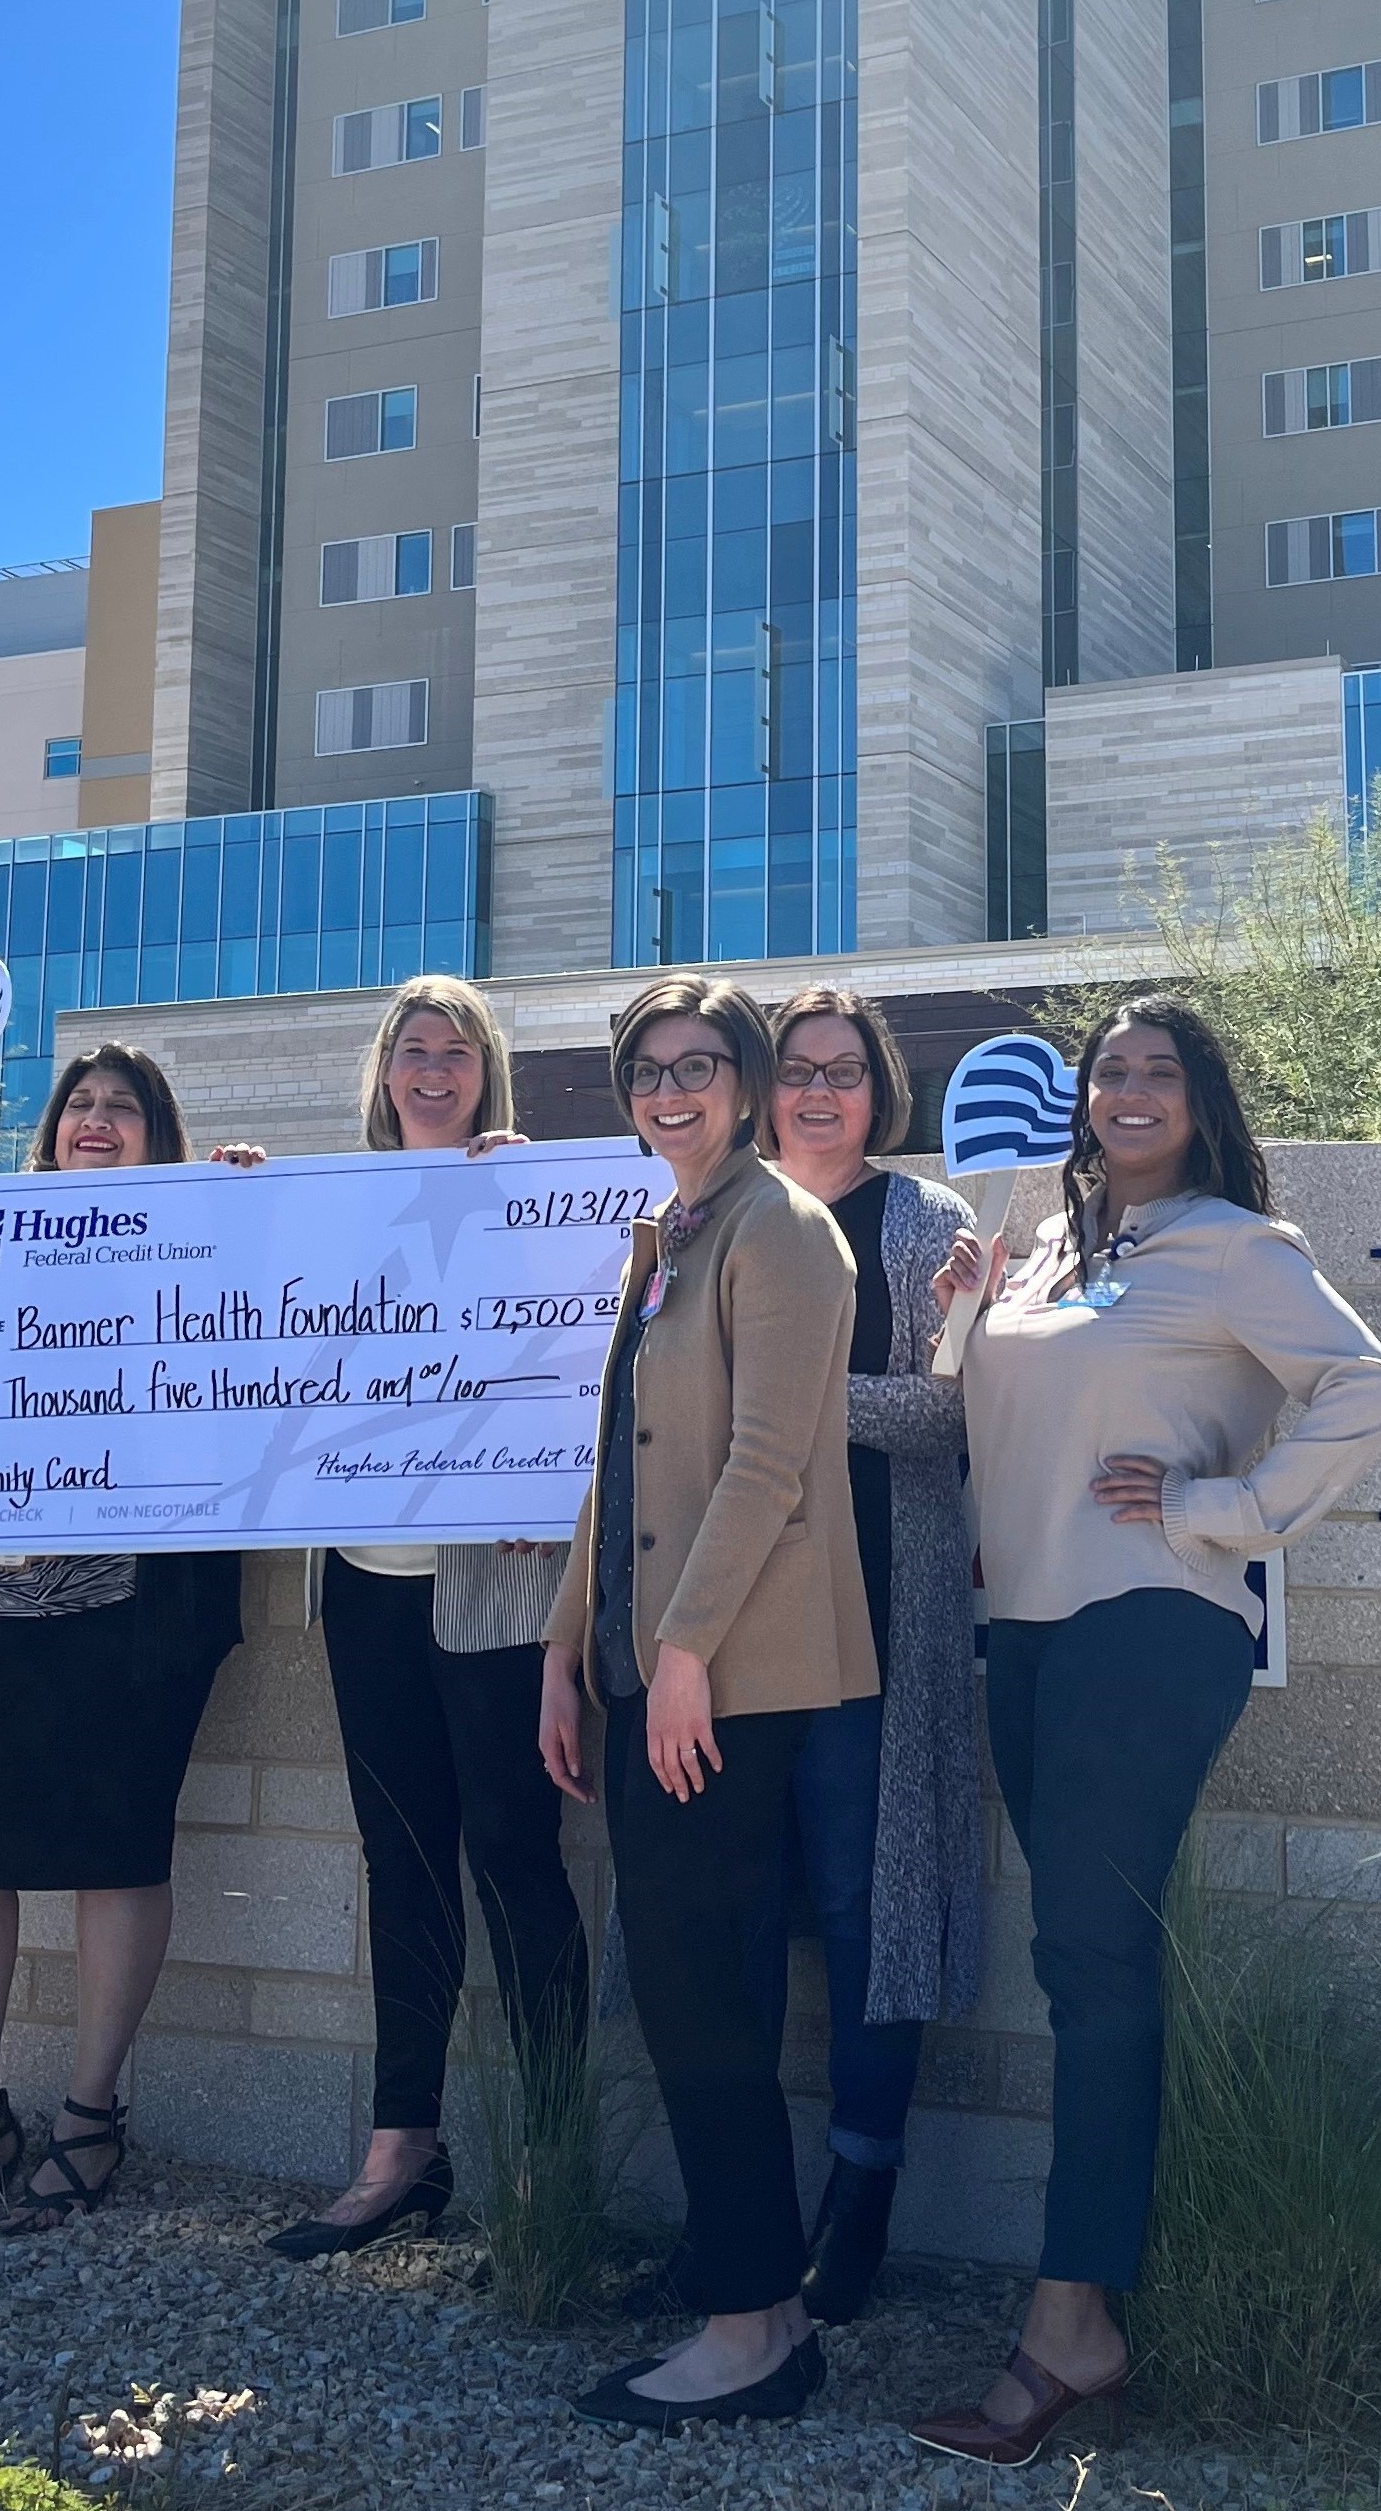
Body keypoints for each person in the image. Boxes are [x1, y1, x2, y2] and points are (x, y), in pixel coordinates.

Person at [909, 996, 1381, 2467]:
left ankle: (1071, 2322)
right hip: (1026, 1628)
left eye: (1158, 1072)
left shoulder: (1237, 1246)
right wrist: (966, 1303)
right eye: (1108, 1071)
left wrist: (1222, 1510)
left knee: (1092, 1963)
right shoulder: (1050, 1246)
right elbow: (966, 1407)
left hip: (1146, 1620)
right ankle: (1081, 2312)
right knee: (1077, 1959)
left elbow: (1366, 1386)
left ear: (1199, 1101)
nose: (1128, 1091)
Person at [539, 975, 878, 2434]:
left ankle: (750, 2332)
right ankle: (753, 2296)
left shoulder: (780, 1228)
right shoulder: (670, 1234)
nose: (668, 1091)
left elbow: (766, 1464)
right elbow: (618, 1465)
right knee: (690, 1988)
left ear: (743, 1081)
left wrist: (679, 1656)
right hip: (650, 1670)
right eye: (646, 1071)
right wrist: (566, 1648)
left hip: (732, 1677)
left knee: (703, 1996)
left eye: (696, 1065)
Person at [0, 1043, 261, 2238]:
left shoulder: (202, 1231)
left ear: (159, 1133)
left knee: (117, 1850)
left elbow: (273, 1336)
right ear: (51, 1130)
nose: (96, 1120)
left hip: (130, 1610)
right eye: (80, 1105)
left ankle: (91, 2113)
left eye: (123, 1107)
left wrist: (248, 1210)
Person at [271, 976, 592, 2260]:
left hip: (494, 1584)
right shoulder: (331, 1200)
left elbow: (580, 1362)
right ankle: (401, 2146)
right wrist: (225, 1206)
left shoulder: (536, 1193)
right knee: (399, 1859)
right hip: (365, 1578)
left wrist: (542, 1489)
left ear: (485, 1068)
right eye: (413, 1048)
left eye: (457, 1049)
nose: (433, 1068)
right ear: (383, 1069)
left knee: (515, 1856)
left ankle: (552, 2157)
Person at [750, 985, 980, 2322]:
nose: (819, 1091)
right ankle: (739, 2211)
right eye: (797, 1067)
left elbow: (950, 1411)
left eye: (844, 1069)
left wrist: (777, 1402)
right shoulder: (710, 1210)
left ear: (878, 1086)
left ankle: (860, 2193)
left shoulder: (924, 1220)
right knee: (738, 1901)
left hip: (875, 1614)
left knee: (862, 1905)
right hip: (727, 1620)